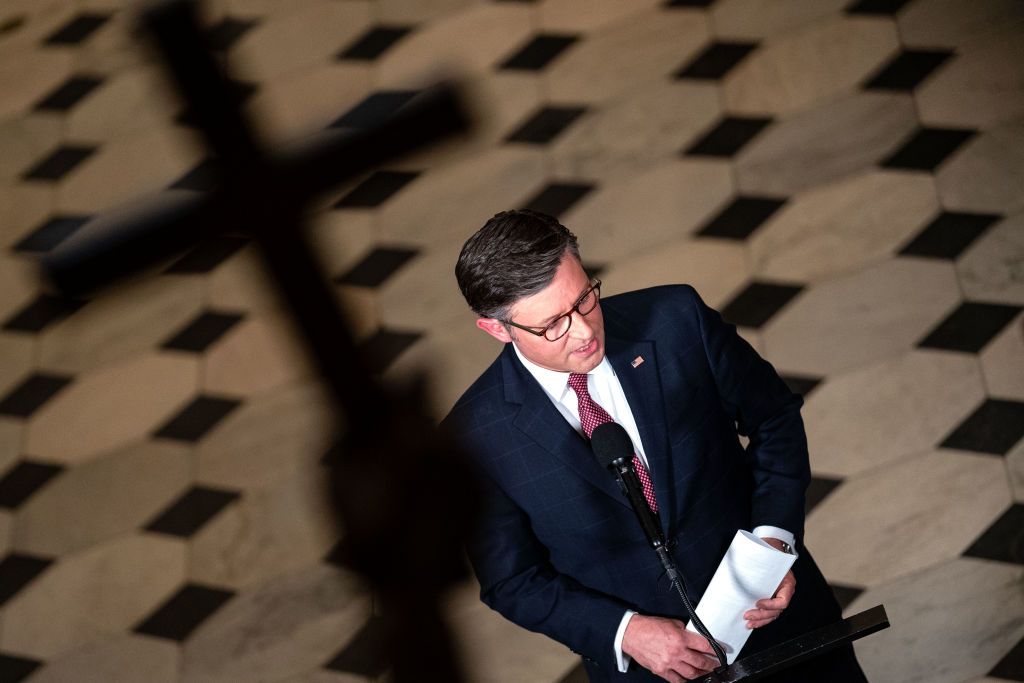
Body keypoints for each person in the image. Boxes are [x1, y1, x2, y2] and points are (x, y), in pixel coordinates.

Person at [442, 209, 866, 682]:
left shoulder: (676, 320)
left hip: (786, 625)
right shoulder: (473, 438)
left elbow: (775, 418)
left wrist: (775, 540)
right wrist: (625, 633)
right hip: (653, 674)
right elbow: (512, 581)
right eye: (551, 325)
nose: (583, 331)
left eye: (584, 299)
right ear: (498, 329)